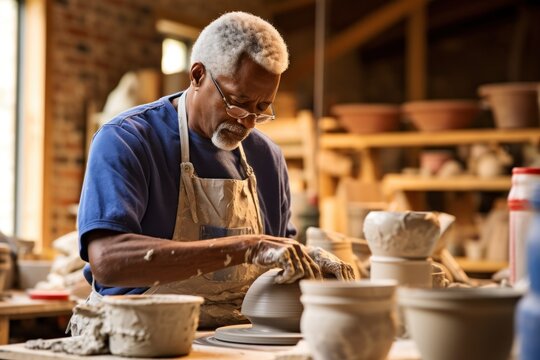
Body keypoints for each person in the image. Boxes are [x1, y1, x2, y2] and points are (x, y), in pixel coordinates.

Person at [74, 11, 354, 331]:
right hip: (138, 334)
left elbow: (277, 265)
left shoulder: (267, 157)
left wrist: (308, 263)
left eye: (262, 108)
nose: (248, 121)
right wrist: (248, 248)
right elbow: (108, 262)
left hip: (235, 334)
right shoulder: (127, 139)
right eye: (238, 101)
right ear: (197, 75)